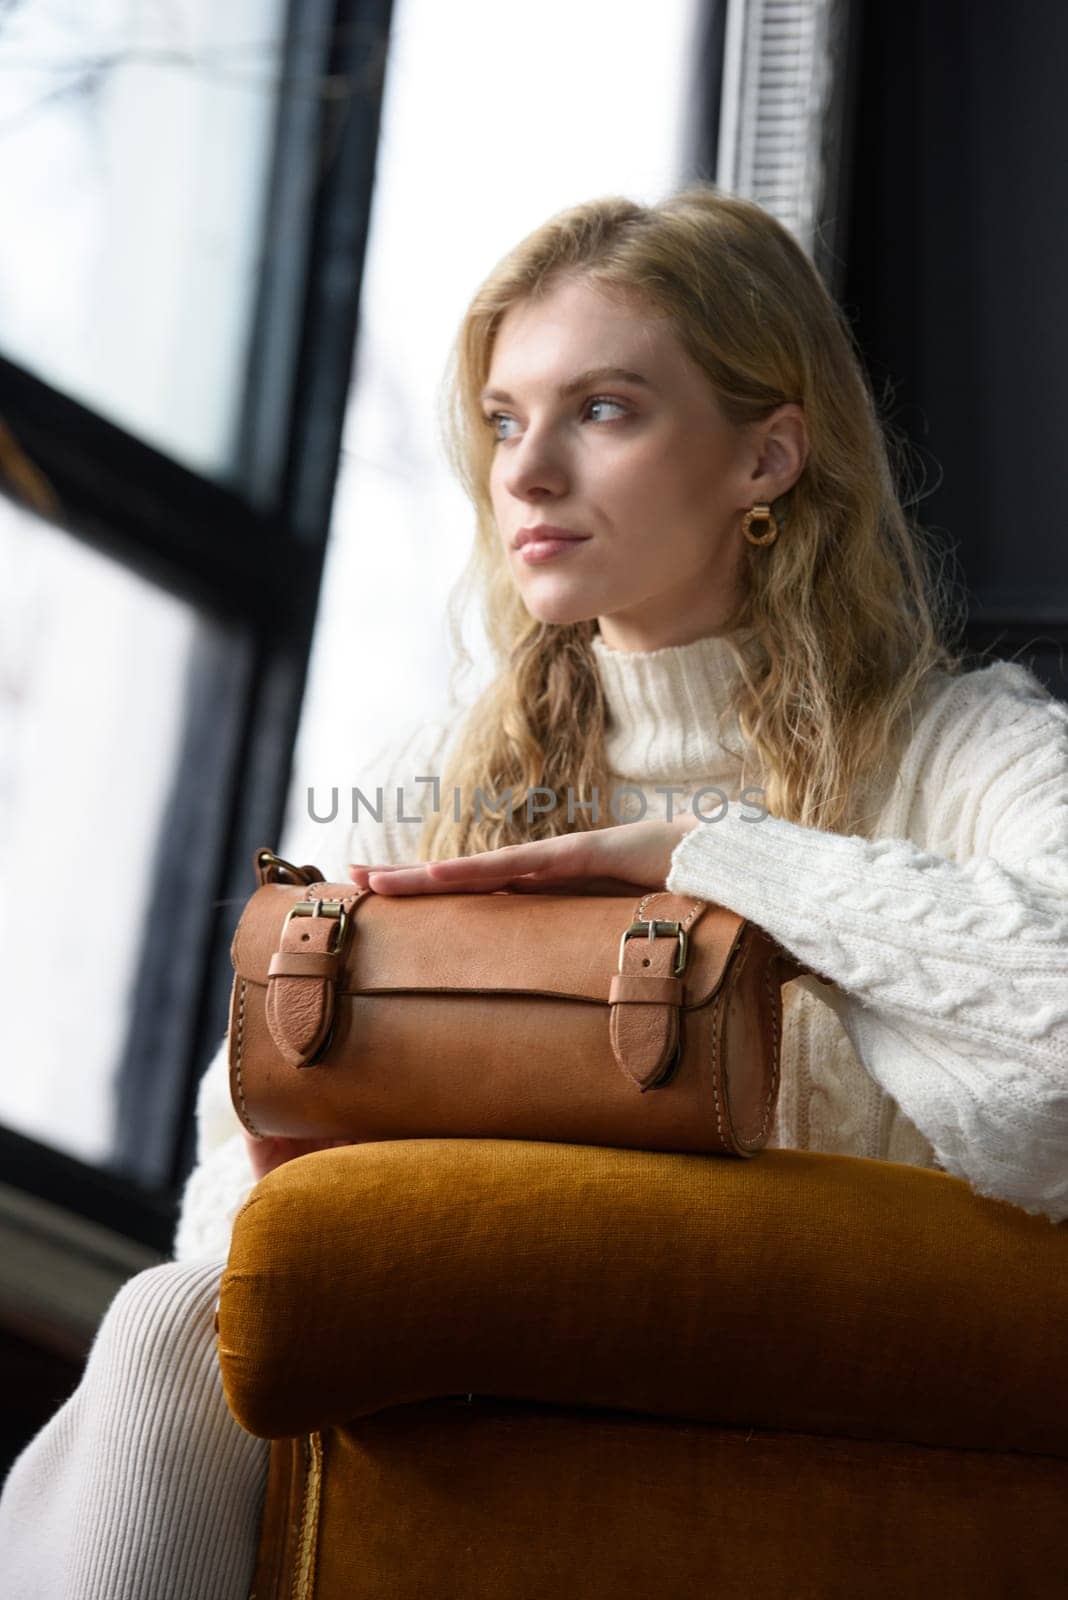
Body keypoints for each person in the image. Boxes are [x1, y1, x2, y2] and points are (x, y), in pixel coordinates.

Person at [3, 181, 1066, 1597]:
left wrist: (711, 860)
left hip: (824, 1370)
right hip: (461, 1383)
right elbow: (230, 1214)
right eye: (507, 419)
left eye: (603, 410)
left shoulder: (966, 747)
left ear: (768, 456)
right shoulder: (426, 768)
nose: (526, 471)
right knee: (169, 1319)